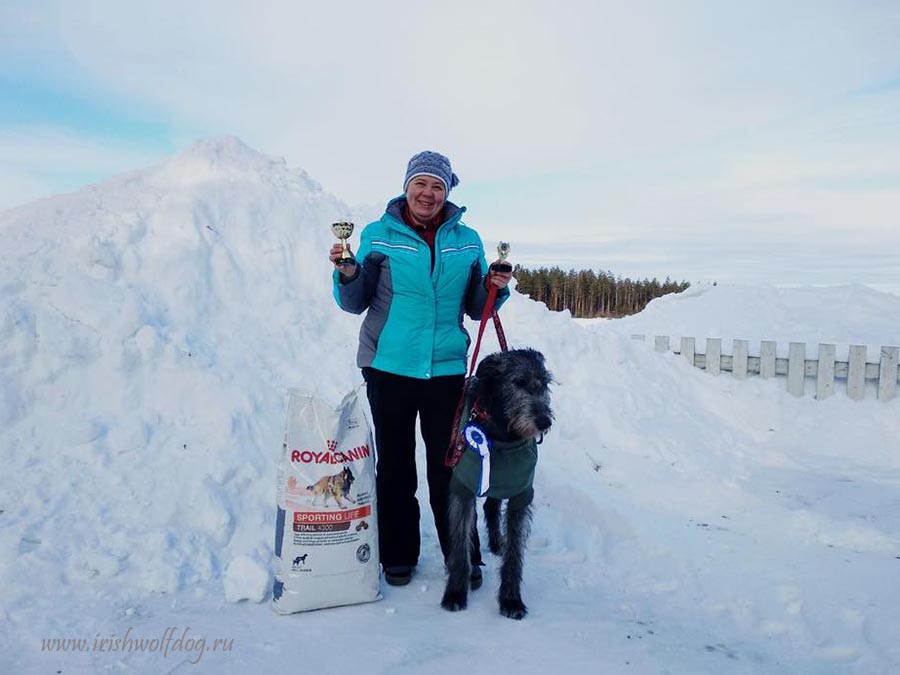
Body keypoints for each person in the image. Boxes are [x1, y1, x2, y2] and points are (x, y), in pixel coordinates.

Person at [329, 150, 512, 587]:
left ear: (447, 192)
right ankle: (397, 555)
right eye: (421, 184)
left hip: (445, 370)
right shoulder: (378, 234)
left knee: (449, 467)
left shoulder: (467, 240)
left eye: (437, 186)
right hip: (388, 367)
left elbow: (475, 307)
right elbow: (355, 303)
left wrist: (494, 288)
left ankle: (461, 557)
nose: (427, 193)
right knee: (395, 466)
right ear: (406, 187)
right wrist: (349, 272)